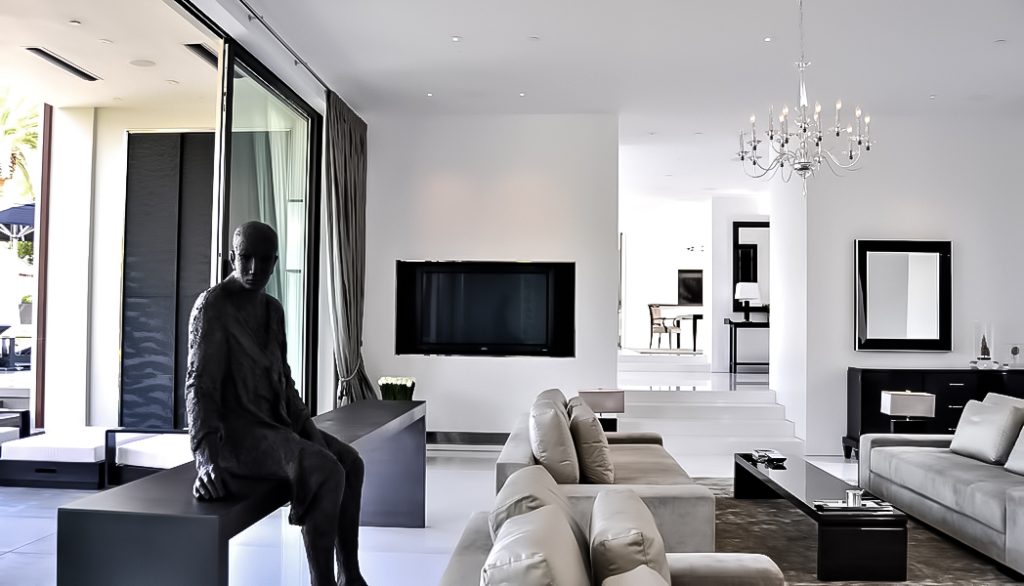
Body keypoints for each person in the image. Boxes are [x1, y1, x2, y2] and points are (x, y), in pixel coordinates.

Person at [185, 221, 367, 586]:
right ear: (231, 257)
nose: (254, 269)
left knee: (351, 461)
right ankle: (322, 582)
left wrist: (310, 431)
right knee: (326, 471)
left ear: (275, 262)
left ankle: (350, 574)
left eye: (264, 260)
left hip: (276, 426)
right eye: (246, 258)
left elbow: (283, 381)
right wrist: (205, 460)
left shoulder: (272, 310)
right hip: (238, 438)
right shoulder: (213, 307)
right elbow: (199, 385)